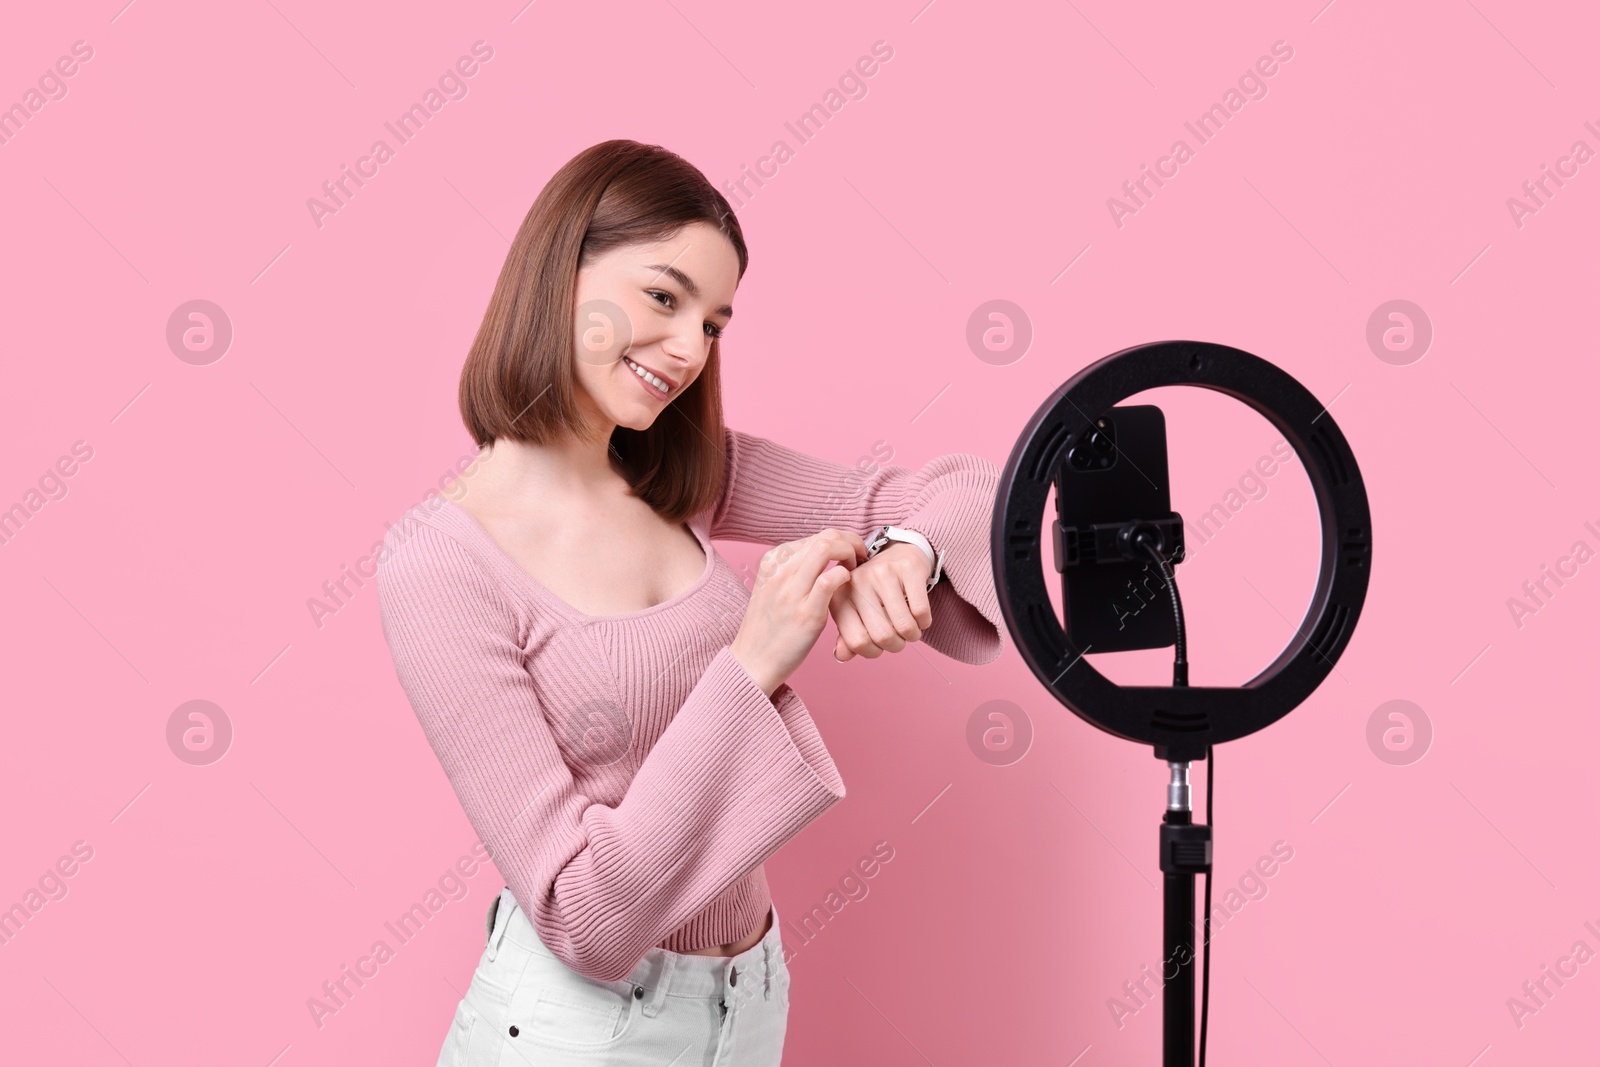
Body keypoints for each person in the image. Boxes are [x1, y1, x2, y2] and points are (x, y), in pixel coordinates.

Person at [376, 139, 1004, 1066]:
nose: (685, 350)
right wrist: (753, 661)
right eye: (663, 297)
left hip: (747, 1005)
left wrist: (906, 551)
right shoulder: (440, 566)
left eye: (712, 323)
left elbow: (975, 491)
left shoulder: (685, 475)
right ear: (559, 272)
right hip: (578, 1031)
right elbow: (580, 913)